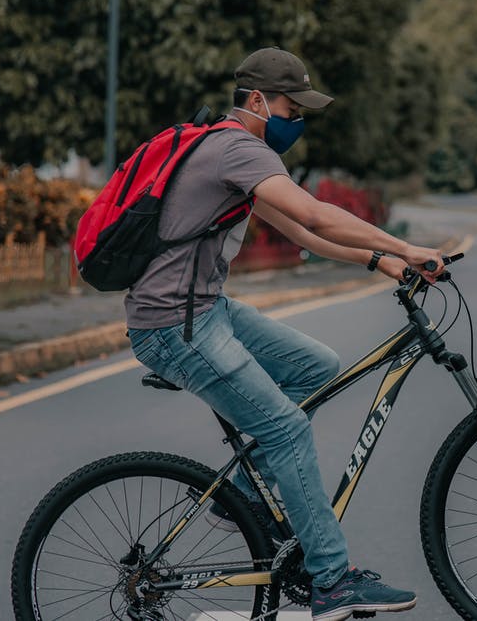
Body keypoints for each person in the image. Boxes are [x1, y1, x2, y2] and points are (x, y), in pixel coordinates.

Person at [125, 47, 444, 621]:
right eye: (290, 107)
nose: (296, 120)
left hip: (204, 310)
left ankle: (247, 498)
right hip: (175, 323)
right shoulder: (235, 147)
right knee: (288, 431)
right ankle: (332, 581)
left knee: (316, 367)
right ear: (255, 102)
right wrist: (407, 246)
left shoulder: (233, 150)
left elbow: (303, 231)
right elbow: (319, 214)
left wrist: (380, 261)